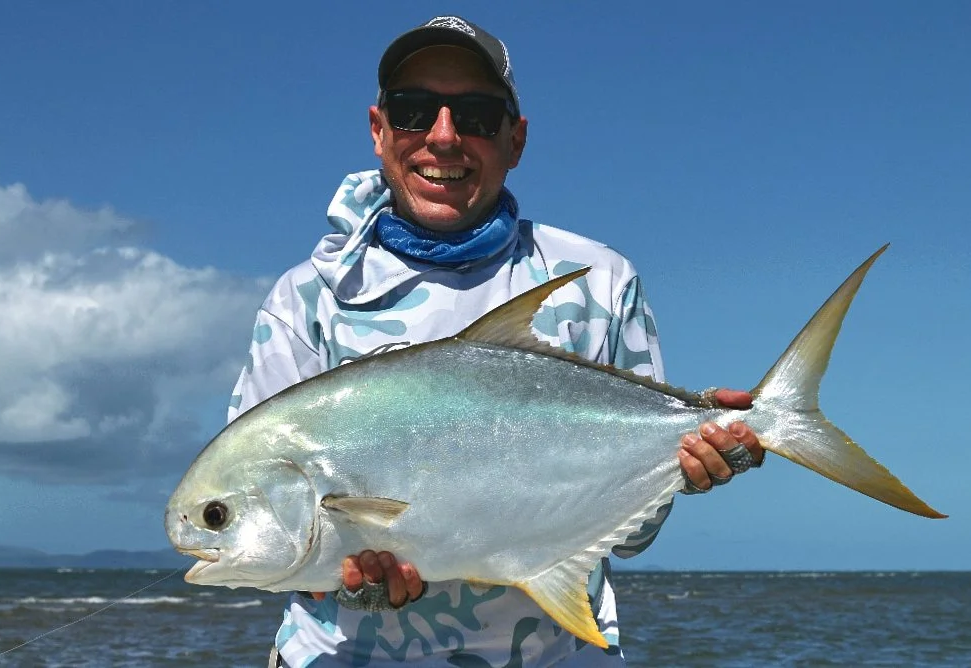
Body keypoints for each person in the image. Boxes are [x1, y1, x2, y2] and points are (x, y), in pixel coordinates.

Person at [229, 16, 764, 667]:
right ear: (378, 130)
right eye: (413, 111)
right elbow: (273, 532)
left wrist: (687, 454)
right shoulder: (303, 301)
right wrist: (343, 585)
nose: (443, 136)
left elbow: (632, 539)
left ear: (516, 140)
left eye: (478, 116)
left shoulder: (596, 282)